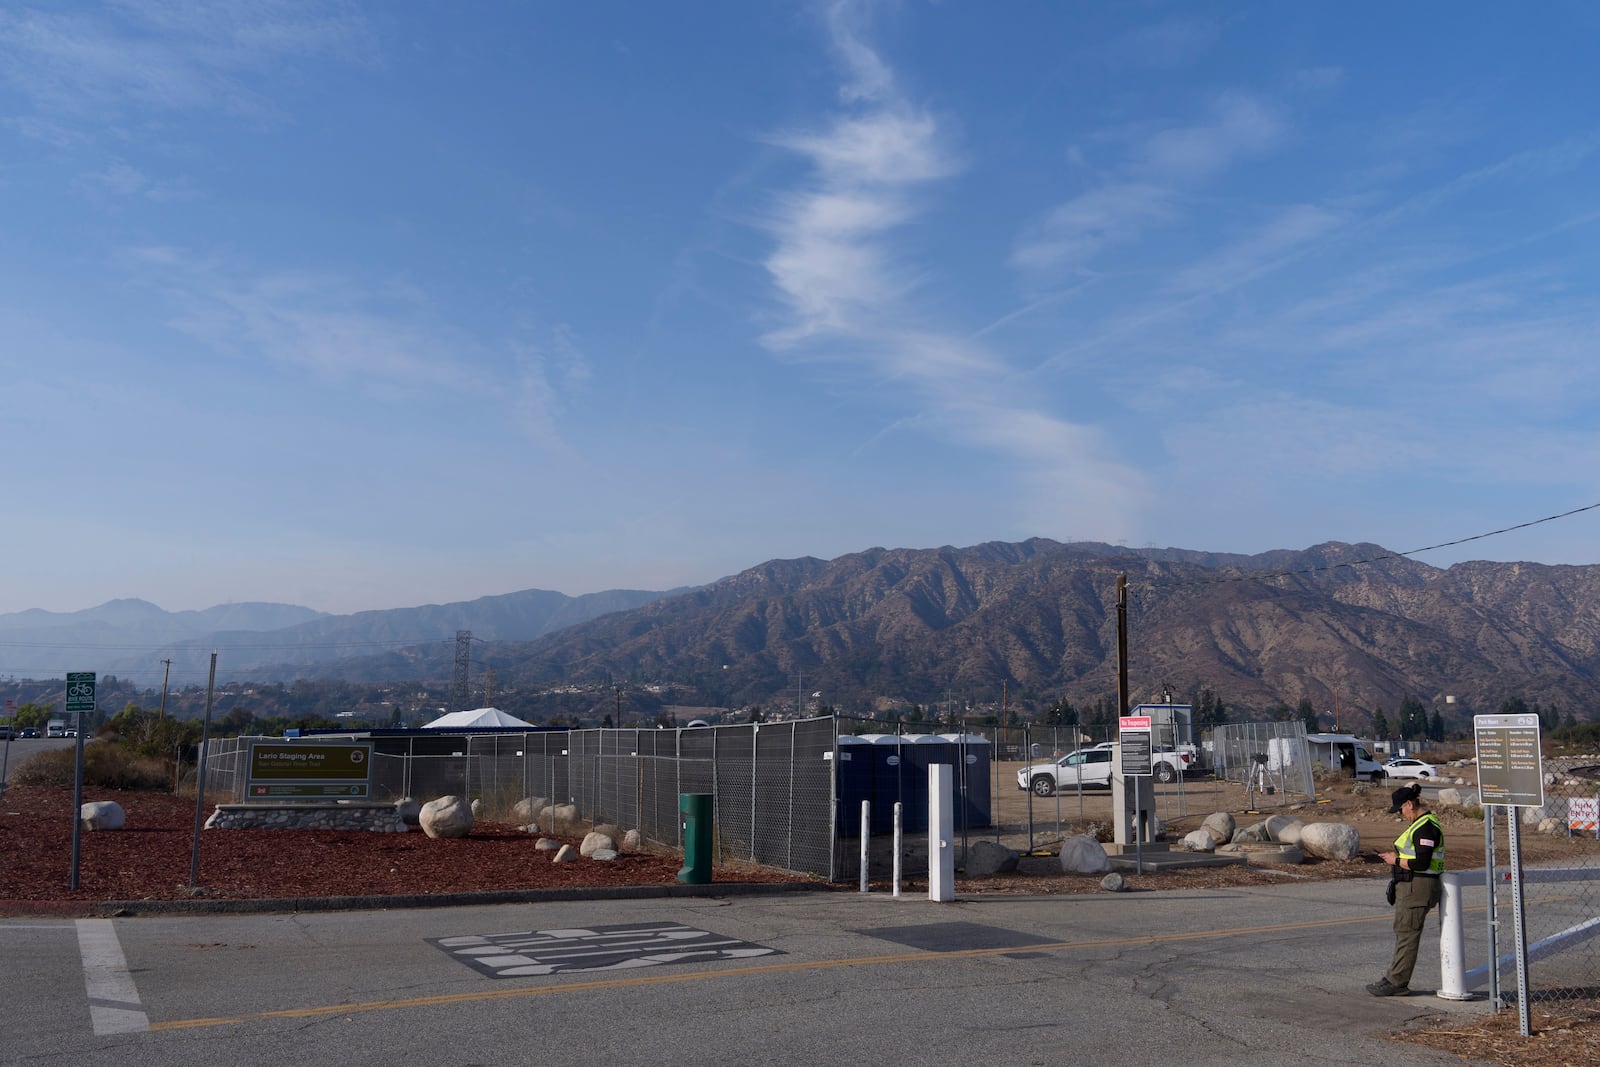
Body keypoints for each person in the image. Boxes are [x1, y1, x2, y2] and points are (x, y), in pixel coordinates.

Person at [1367, 783, 1445, 996]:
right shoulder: (1420, 825)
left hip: (1417, 885)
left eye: (1401, 809)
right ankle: (1394, 976)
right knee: (1403, 931)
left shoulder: (1425, 827)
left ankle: (1397, 982)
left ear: (1409, 804)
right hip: (1412, 885)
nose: (1401, 814)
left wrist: (1396, 860)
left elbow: (1421, 862)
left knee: (1407, 933)